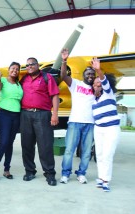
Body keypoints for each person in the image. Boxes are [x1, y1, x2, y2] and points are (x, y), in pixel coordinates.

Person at [20, 57, 59, 186]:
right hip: (26, 114)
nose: (30, 66)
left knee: (45, 145)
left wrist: (55, 114)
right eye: (27, 65)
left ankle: (49, 173)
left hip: (43, 114)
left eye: (32, 64)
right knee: (27, 145)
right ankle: (30, 171)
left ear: (38, 65)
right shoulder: (24, 79)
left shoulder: (47, 77)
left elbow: (54, 96)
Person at [60, 48, 95, 184]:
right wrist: (64, 60)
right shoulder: (76, 84)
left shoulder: (97, 88)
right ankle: (65, 174)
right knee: (69, 150)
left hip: (90, 124)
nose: (90, 76)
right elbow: (63, 75)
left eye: (92, 74)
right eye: (88, 74)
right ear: (83, 76)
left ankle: (81, 173)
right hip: (75, 122)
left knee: (86, 152)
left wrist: (98, 69)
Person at [91, 57, 120, 192]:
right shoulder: (94, 100)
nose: (97, 85)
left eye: (99, 83)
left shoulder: (109, 94)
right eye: (95, 84)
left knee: (108, 154)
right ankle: (101, 177)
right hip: (99, 129)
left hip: (111, 129)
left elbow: (104, 81)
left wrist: (98, 69)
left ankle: (105, 180)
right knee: (100, 154)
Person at [0, 62, 23, 180]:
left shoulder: (19, 84)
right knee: (3, 142)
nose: (15, 70)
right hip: (4, 114)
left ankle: (6, 170)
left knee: (10, 143)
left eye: (17, 69)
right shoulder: (3, 80)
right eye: (13, 68)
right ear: (9, 70)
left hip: (16, 115)